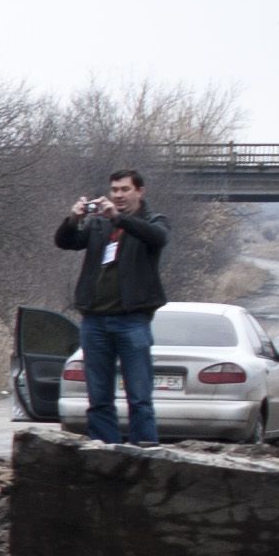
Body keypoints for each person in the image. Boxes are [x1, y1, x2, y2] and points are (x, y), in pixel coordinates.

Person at [52, 168, 169, 443]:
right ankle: (105, 458)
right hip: (95, 322)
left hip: (133, 321)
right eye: (114, 190)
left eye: (125, 189)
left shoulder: (154, 221)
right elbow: (64, 242)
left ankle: (145, 455)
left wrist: (120, 219)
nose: (118, 195)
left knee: (139, 397)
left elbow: (158, 238)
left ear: (140, 191)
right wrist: (73, 219)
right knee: (99, 397)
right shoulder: (99, 225)